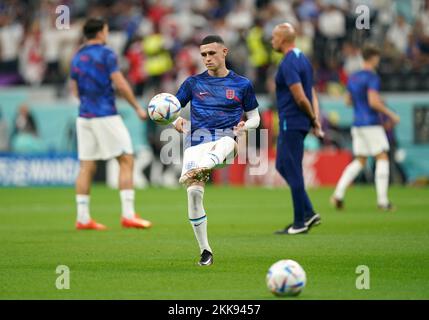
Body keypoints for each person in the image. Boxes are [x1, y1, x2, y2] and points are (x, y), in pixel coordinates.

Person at [172, 35, 260, 266]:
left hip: (226, 143)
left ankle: (204, 166)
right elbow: (170, 110)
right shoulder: (192, 83)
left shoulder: (242, 84)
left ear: (224, 52)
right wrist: (176, 122)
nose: (207, 58)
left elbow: (255, 117)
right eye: (203, 54)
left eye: (211, 53)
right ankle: (205, 251)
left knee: (228, 141)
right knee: (193, 194)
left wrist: (245, 125)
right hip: (196, 144)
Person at [70, 18, 152, 230]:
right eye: (106, 30)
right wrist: (137, 108)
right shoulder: (106, 53)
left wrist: (87, 103)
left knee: (86, 166)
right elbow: (121, 84)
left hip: (84, 116)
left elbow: (74, 89)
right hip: (105, 114)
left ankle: (83, 218)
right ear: (100, 32)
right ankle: (128, 215)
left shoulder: (77, 56)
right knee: (126, 159)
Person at [331, 44, 400, 211]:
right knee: (382, 156)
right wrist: (391, 114)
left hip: (357, 124)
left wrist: (360, 101)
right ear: (374, 58)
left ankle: (338, 195)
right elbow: (373, 102)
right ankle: (383, 201)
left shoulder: (353, 77)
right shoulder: (372, 77)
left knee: (360, 160)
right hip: (371, 123)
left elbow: (347, 101)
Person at [270, 23, 324, 235]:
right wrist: (314, 118)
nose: (271, 40)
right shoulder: (303, 58)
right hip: (299, 121)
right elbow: (311, 91)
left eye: (274, 36)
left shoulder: (288, 63)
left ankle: (299, 222)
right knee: (283, 165)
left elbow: (301, 95)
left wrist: (313, 118)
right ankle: (308, 211)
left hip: (291, 121)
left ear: (283, 39)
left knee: (290, 167)